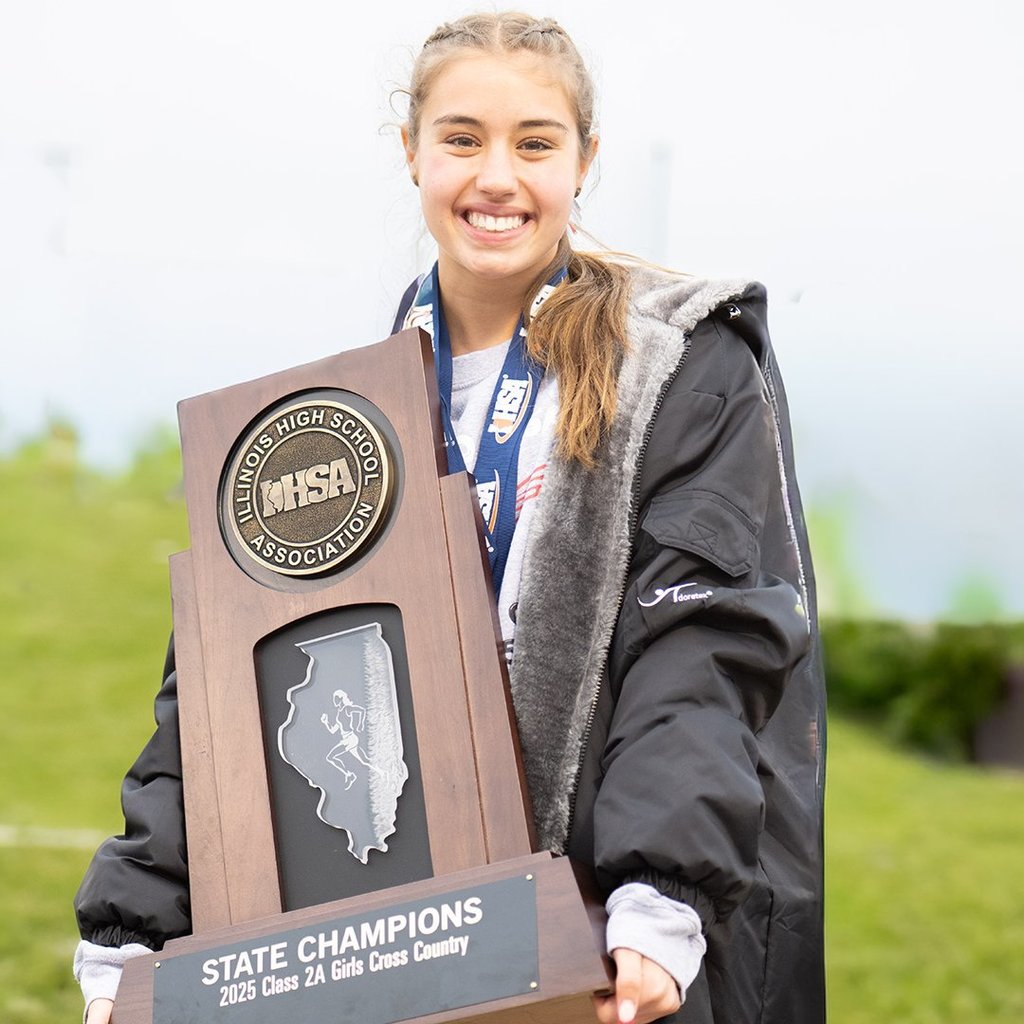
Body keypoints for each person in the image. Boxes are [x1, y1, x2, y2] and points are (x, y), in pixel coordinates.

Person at [74, 11, 825, 1024]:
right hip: (402, 948)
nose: (496, 178)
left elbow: (701, 644)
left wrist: (659, 896)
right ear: (412, 152)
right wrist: (132, 924)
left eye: (534, 143)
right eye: (462, 139)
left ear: (584, 159)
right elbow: (223, 685)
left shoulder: (682, 369)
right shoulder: (339, 418)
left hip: (602, 934)